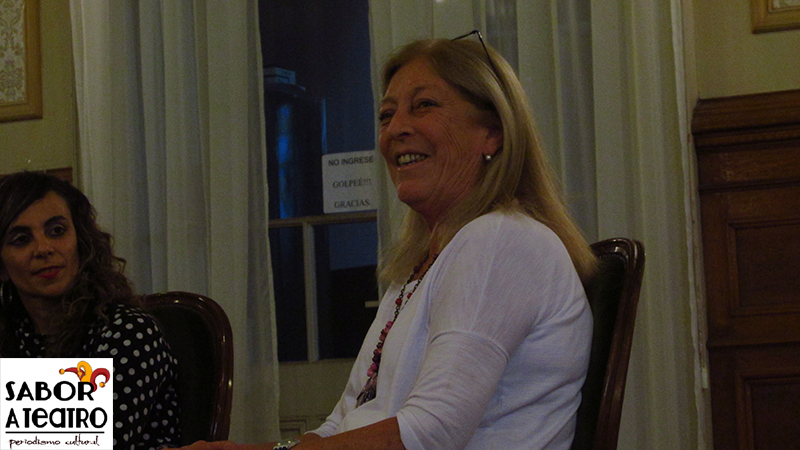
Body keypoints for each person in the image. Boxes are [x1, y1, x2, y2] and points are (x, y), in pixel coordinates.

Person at [181, 32, 597, 450]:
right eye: (386, 115)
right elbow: (338, 424)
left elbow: (431, 432)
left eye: (424, 105)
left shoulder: (502, 239)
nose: (396, 129)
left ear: (493, 132)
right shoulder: (420, 266)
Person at [0, 171, 181, 450]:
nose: (43, 248)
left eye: (57, 231)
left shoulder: (127, 332)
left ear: (81, 242)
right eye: (21, 239)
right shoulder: (13, 332)